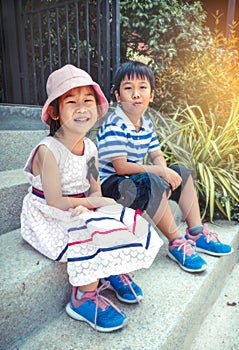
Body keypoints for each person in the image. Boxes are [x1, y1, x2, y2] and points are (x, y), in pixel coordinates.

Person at [20, 64, 163, 333]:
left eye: (88, 101)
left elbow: (94, 188)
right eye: (71, 102)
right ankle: (82, 297)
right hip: (49, 212)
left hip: (78, 204)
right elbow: (54, 202)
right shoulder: (48, 151)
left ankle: (111, 268)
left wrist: (98, 205)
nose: (82, 108)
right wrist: (92, 206)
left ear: (97, 109)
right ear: (54, 111)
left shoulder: (91, 149)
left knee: (119, 219)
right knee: (86, 233)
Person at [97, 60, 233, 274]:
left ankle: (196, 233)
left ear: (151, 95)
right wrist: (159, 173)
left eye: (142, 87)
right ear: (117, 96)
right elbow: (121, 167)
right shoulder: (115, 125)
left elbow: (157, 154)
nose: (136, 94)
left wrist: (165, 172)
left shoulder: (146, 123)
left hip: (132, 181)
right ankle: (177, 242)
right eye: (128, 88)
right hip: (111, 186)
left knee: (183, 173)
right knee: (152, 180)